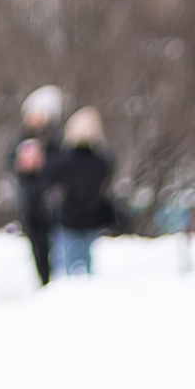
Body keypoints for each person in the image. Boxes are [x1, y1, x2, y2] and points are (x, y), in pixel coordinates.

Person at [47, 109, 115, 278]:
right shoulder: (101, 161)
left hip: (69, 218)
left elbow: (48, 178)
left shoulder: (63, 160)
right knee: (85, 262)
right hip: (89, 218)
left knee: (67, 265)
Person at [11, 84, 65, 288]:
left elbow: (62, 168)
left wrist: (44, 164)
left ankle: (56, 282)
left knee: (56, 244)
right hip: (31, 203)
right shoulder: (22, 138)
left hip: (51, 203)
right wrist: (22, 166)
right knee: (37, 245)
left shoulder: (56, 140)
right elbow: (11, 165)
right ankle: (43, 280)